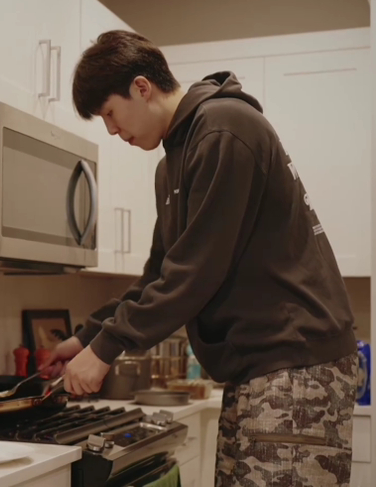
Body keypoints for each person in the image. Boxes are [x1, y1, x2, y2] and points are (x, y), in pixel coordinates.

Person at [41, 30, 358, 487]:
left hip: (296, 364)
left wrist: (107, 349)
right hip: (259, 368)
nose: (111, 130)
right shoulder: (172, 163)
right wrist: (86, 338)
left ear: (141, 87)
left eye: (109, 113)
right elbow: (161, 273)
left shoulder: (225, 128)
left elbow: (196, 272)